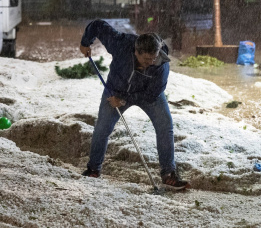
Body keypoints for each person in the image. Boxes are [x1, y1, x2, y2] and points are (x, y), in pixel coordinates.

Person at [80, 19, 190, 190]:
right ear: (136, 51)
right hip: (116, 90)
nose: (150, 63)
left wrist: (124, 99)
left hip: (148, 95)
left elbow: (152, 94)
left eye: (153, 58)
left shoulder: (161, 63)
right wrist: (85, 42)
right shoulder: (121, 44)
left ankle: (169, 174)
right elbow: (98, 25)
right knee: (102, 127)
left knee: (165, 126)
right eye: (146, 59)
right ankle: (93, 168)